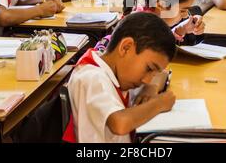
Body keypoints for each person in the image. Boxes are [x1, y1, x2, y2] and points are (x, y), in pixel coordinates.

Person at [64, 12, 177, 143]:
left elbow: (161, 75)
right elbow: (120, 124)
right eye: (149, 69)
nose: (147, 79)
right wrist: (158, 104)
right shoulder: (92, 78)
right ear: (125, 47)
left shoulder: (114, 68)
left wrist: (150, 88)